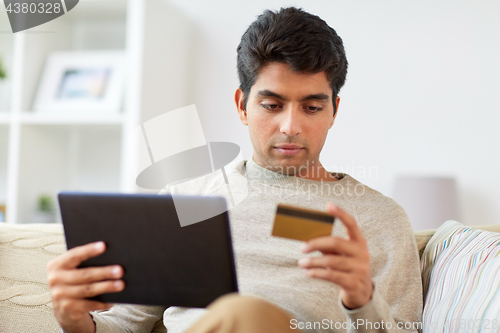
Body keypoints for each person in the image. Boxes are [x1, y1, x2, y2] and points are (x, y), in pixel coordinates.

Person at [47, 7, 423, 333]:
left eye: (311, 107)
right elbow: (127, 324)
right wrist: (75, 322)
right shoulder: (186, 203)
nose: (290, 126)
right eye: (272, 105)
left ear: (334, 111)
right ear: (242, 106)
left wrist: (363, 300)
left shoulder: (379, 220)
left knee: (243, 312)